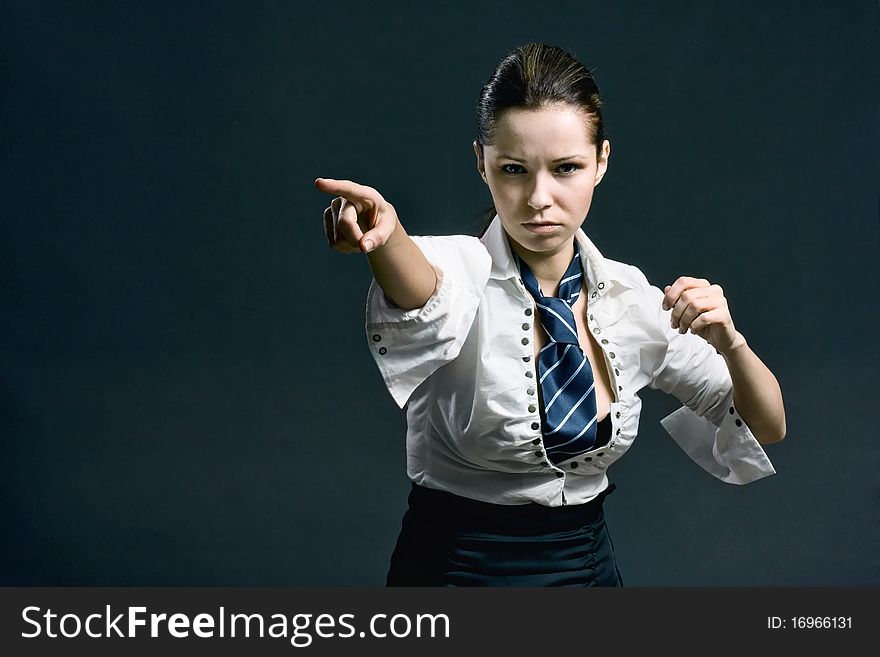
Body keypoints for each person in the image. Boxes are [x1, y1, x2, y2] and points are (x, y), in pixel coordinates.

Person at [314, 42, 786, 587]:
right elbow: (421, 286)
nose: (539, 197)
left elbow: (765, 427)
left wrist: (731, 342)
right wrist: (384, 235)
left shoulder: (630, 298)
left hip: (586, 571)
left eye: (566, 168)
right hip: (455, 569)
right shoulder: (457, 272)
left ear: (601, 162)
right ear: (481, 165)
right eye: (513, 169)